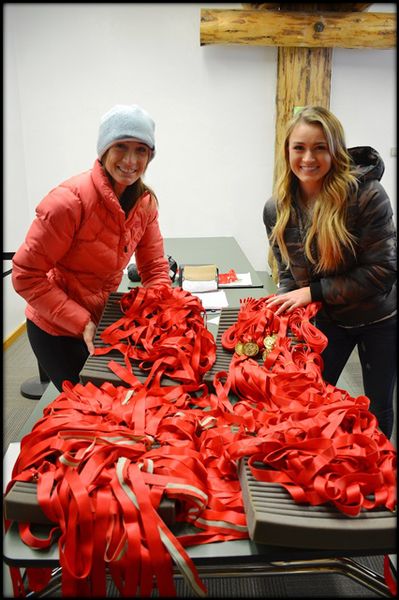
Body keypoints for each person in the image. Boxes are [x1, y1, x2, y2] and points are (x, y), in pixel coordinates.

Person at [12, 104, 171, 392]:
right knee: (89, 412)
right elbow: (25, 275)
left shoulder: (145, 204)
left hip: (102, 322)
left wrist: (160, 312)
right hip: (55, 329)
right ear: (104, 150)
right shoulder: (67, 203)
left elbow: (155, 268)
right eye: (120, 146)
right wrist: (81, 321)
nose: (131, 160)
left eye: (141, 150)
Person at [263, 106, 397, 439]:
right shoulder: (275, 209)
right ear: (287, 152)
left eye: (320, 147)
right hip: (328, 321)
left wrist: (314, 292)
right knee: (308, 401)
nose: (308, 157)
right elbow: (288, 275)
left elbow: (383, 271)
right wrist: (285, 315)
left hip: (379, 319)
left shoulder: (368, 196)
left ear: (334, 151)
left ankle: (376, 478)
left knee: (376, 409)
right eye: (299, 147)